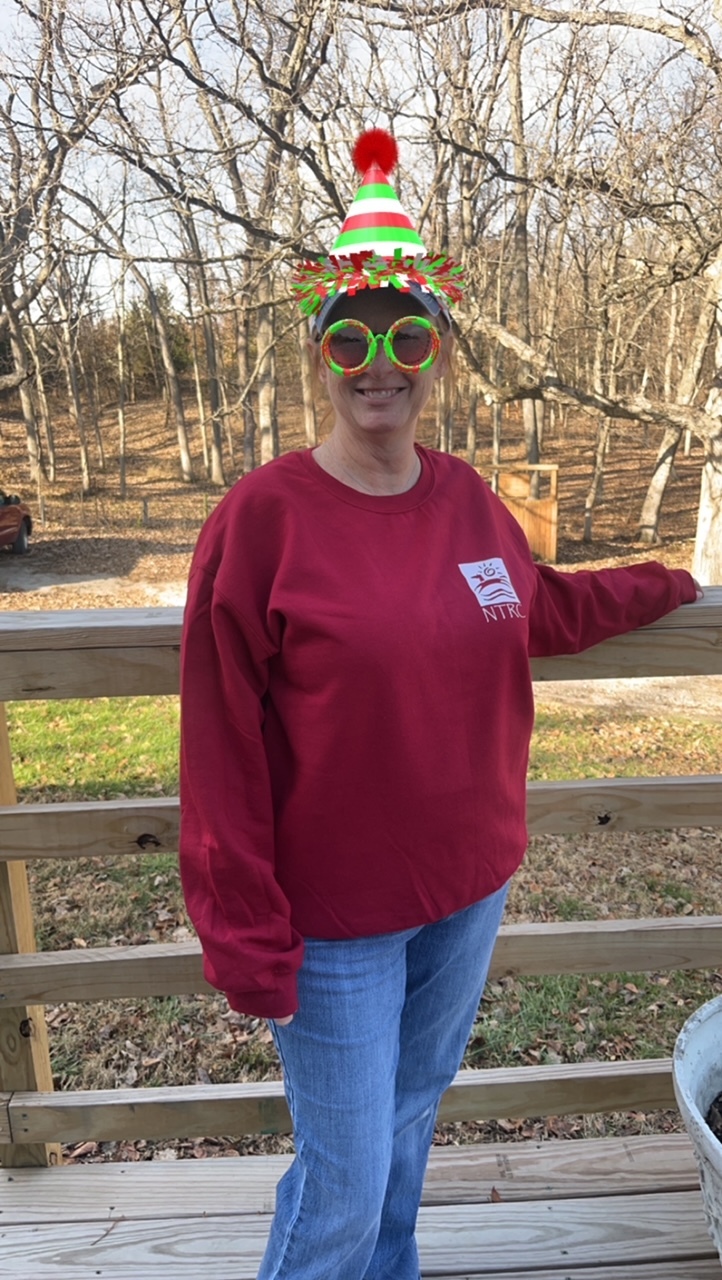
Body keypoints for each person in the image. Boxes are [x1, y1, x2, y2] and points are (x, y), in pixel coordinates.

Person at [179, 129, 702, 1280]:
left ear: (438, 352)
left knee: (408, 1121)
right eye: (351, 335)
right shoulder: (262, 519)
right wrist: (241, 924)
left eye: (406, 334)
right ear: (320, 352)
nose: (380, 361)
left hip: (463, 887)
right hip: (332, 918)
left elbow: (531, 609)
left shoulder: (467, 498)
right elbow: (217, 743)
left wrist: (671, 582)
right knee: (346, 1173)